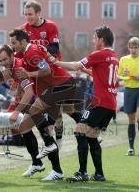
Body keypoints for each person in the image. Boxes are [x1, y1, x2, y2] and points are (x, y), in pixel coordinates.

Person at [54, 26, 118, 182]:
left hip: (100, 103)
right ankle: (99, 174)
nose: (93, 40)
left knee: (79, 130)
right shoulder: (114, 55)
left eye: (95, 38)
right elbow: (101, 73)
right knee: (91, 136)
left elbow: (76, 65)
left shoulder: (99, 54)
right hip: (110, 104)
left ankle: (82, 172)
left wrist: (55, 62)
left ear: (102, 40)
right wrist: (87, 72)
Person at [22, 0, 86, 151]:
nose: (28, 18)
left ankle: (86, 128)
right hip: (42, 78)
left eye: (30, 14)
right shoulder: (24, 29)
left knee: (68, 110)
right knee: (56, 113)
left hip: (56, 75)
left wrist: (41, 52)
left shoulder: (50, 26)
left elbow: (54, 47)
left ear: (39, 13)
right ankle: (58, 141)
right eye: (25, 14)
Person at [0, 44, 64, 181]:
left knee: (47, 135)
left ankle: (57, 171)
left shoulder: (18, 67)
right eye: (0, 61)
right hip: (39, 98)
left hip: (47, 96)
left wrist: (16, 112)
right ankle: (37, 163)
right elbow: (25, 87)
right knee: (24, 128)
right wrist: (18, 94)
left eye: (5, 59)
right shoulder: (13, 67)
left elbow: (29, 92)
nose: (3, 63)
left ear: (12, 56)